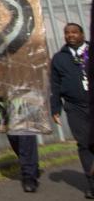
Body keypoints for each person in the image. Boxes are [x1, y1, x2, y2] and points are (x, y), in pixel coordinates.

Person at [51, 22, 93, 198]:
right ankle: (91, 184)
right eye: (67, 33)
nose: (71, 35)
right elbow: (55, 85)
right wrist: (56, 108)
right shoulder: (59, 58)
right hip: (74, 107)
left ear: (82, 34)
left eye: (74, 32)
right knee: (84, 144)